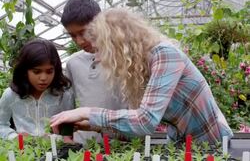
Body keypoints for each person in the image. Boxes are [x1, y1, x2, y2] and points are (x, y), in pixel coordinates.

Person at [51, 8, 234, 144]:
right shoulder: (140, 69)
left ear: (120, 42)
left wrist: (86, 112)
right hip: (183, 145)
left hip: (213, 144)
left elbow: (144, 122)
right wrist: (93, 125)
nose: (99, 56)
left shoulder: (165, 55)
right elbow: (138, 128)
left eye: (102, 47)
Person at [61, 0, 127, 142]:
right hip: (84, 145)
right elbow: (68, 104)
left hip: (124, 144)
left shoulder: (125, 57)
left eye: (83, 32)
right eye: (73, 36)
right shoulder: (73, 63)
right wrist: (67, 137)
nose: (79, 41)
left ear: (100, 23)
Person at [0, 38, 74, 140]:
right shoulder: (11, 95)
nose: (43, 78)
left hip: (57, 151)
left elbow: (68, 129)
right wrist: (15, 137)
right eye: (36, 71)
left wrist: (56, 138)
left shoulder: (64, 94)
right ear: (25, 71)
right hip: (23, 153)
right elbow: (1, 124)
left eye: (49, 71)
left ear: (55, 70)